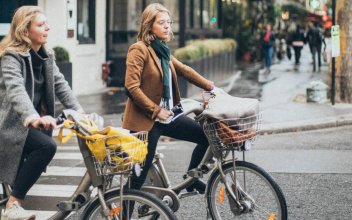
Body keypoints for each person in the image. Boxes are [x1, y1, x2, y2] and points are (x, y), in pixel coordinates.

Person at [0, 6, 83, 220]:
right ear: (25, 31)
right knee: (46, 146)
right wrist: (32, 116)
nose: (47, 27)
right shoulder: (11, 56)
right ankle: (13, 204)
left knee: (31, 163)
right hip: (9, 125)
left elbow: (60, 85)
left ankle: (12, 200)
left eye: (46, 23)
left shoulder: (47, 56)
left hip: (27, 126)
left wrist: (80, 113)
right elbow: (15, 88)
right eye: (40, 24)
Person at [122, 3, 214, 193]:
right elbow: (131, 87)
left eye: (169, 23)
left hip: (169, 117)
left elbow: (185, 71)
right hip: (146, 121)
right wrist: (156, 110)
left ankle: (192, 179)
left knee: (207, 136)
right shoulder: (138, 50)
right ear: (149, 26)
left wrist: (211, 87)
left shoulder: (163, 51)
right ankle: (125, 213)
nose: (167, 26)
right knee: (138, 177)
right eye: (162, 22)